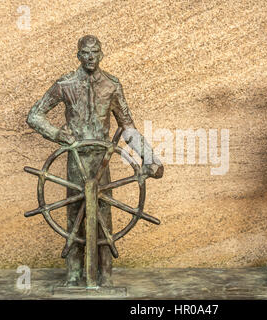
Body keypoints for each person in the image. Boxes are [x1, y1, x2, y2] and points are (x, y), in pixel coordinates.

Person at [27, 35, 163, 286]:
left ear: (102, 54)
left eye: (95, 52)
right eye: (85, 53)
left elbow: (127, 127)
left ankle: (106, 277)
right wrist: (57, 134)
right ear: (78, 55)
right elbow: (34, 115)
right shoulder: (65, 84)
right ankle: (74, 276)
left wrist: (150, 156)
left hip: (101, 161)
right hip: (76, 160)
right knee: (74, 218)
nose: (90, 57)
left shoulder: (112, 85)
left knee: (103, 218)